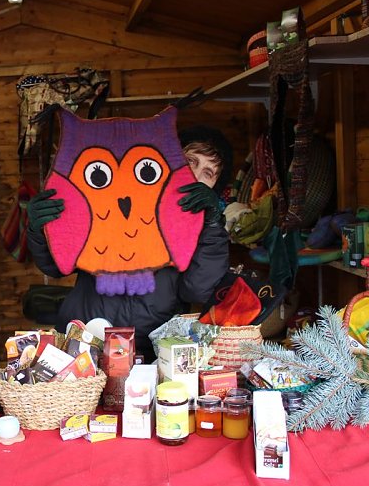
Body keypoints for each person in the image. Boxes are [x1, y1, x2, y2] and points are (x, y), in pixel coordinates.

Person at [25, 125, 231, 361]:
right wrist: (39, 228)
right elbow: (54, 266)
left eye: (208, 173)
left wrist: (213, 226)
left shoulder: (205, 229)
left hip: (152, 349)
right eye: (191, 161)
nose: (195, 176)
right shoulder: (109, 196)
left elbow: (197, 289)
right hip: (84, 341)